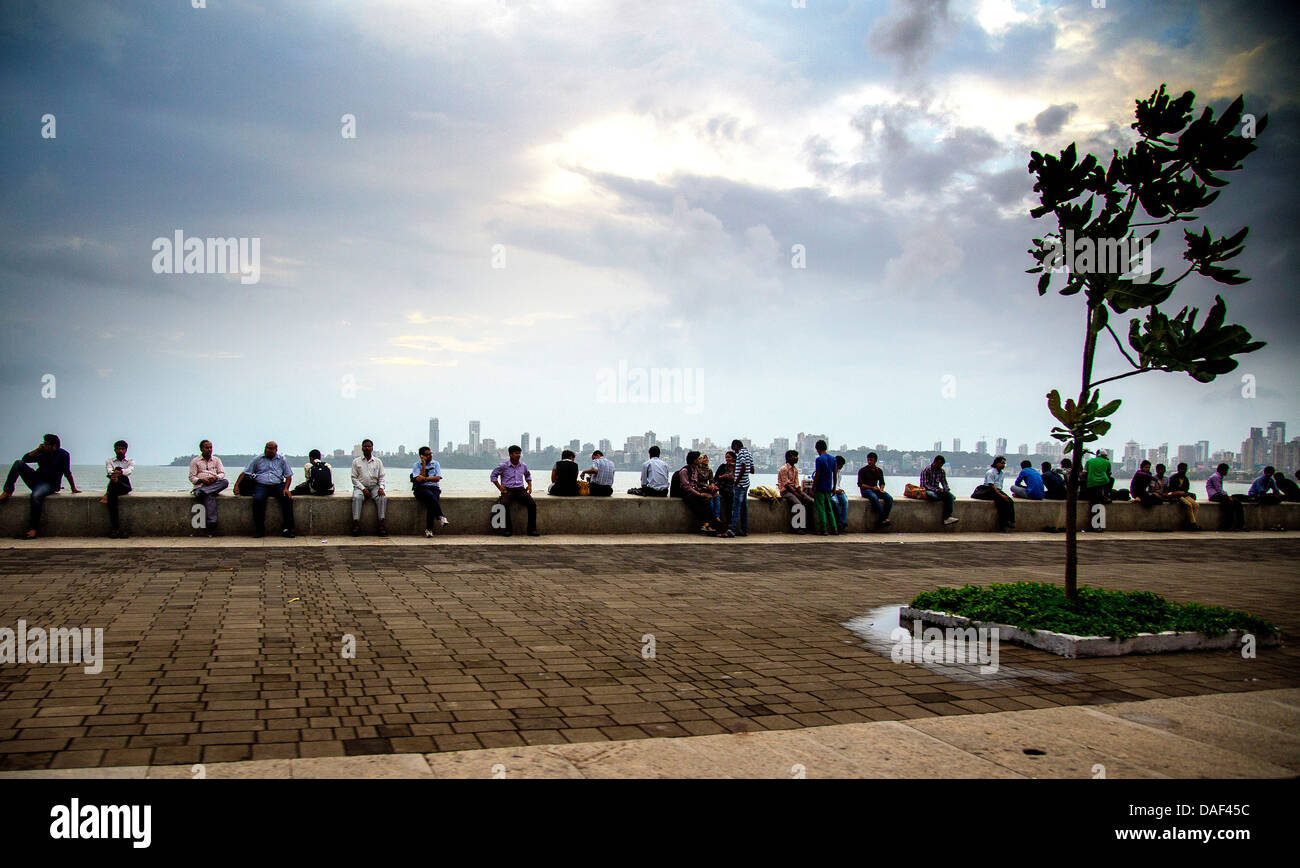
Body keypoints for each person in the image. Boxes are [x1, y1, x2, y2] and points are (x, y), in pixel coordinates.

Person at [1, 434, 79, 539]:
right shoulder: (41, 452)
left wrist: (73, 488)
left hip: (50, 484)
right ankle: (7, 491)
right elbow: (25, 459)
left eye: (46, 444)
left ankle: (33, 529)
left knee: (36, 496)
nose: (43, 445)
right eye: (44, 443)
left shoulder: (63, 455)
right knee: (18, 463)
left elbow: (67, 473)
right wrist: (37, 449)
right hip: (36, 479)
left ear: (54, 446)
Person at [234, 442, 295, 538]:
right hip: (261, 485)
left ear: (276, 450)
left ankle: (288, 528)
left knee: (287, 499)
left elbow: (288, 476)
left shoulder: (282, 460)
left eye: (271, 448)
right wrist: (236, 485)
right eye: (267, 448)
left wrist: (286, 488)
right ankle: (259, 530)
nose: (268, 450)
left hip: (277, 484)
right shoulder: (258, 459)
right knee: (258, 500)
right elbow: (246, 472)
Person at [491, 446, 539, 536]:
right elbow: (493, 476)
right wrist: (500, 487)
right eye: (516, 453)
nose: (518, 455)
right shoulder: (503, 466)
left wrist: (529, 485)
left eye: (519, 453)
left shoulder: (523, 465)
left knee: (532, 504)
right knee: (505, 504)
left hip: (520, 490)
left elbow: (528, 476)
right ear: (510, 454)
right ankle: (507, 530)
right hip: (508, 490)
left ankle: (532, 530)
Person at [676, 451, 725, 535]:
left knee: (709, 500)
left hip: (695, 491)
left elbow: (697, 483)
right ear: (694, 460)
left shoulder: (695, 469)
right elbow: (687, 487)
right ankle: (710, 525)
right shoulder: (684, 471)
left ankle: (710, 525)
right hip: (687, 494)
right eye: (698, 459)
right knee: (703, 505)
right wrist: (700, 494)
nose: (700, 460)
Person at [188, 439, 229, 536]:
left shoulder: (216, 460)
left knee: (225, 482)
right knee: (209, 496)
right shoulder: (195, 461)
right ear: (201, 449)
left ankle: (204, 491)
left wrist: (215, 478)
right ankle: (212, 523)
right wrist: (202, 480)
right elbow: (191, 477)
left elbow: (222, 473)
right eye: (207, 448)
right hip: (201, 485)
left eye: (211, 447)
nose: (209, 449)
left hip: (213, 484)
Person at [350, 439, 387, 536]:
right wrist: (363, 489)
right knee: (357, 498)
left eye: (369, 446)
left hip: (375, 486)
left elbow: (382, 476)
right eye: (365, 446)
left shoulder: (378, 462)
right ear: (362, 448)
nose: (367, 448)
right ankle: (356, 523)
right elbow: (354, 478)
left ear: (372, 448)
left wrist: (381, 488)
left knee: (382, 497)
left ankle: (381, 523)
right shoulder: (356, 461)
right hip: (360, 487)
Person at [101, 439, 134, 538]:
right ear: (115, 450)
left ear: (126, 450)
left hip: (124, 485)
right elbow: (109, 471)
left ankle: (108, 493)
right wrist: (115, 475)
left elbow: (129, 471)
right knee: (113, 500)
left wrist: (119, 473)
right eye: (118, 449)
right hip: (114, 485)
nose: (120, 451)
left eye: (122, 449)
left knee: (118, 473)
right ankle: (116, 529)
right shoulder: (110, 461)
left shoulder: (130, 461)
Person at [411, 446, 447, 537]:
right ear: (421, 456)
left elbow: (437, 478)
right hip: (421, 488)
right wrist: (423, 465)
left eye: (430, 454)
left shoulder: (436, 464)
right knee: (431, 497)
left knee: (432, 501)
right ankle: (440, 516)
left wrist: (426, 478)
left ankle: (429, 530)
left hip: (434, 488)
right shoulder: (416, 465)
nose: (430, 456)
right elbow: (419, 480)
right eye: (427, 455)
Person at [972, 456, 1014, 531]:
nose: (1003, 465)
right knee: (1001, 502)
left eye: (1004, 463)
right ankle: (1003, 523)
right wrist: (1001, 495)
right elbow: (991, 485)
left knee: (1010, 501)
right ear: (997, 463)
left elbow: (999, 486)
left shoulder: (1002, 473)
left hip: (997, 490)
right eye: (1002, 463)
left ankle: (1011, 521)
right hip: (989, 490)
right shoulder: (991, 472)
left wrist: (1002, 494)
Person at [778, 450, 814, 534]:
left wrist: (801, 493)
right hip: (786, 492)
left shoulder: (795, 470)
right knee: (798, 505)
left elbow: (797, 484)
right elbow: (787, 485)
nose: (797, 458)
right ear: (789, 458)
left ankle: (808, 526)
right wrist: (797, 494)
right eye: (795, 456)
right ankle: (797, 527)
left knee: (810, 501)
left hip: (794, 491)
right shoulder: (784, 469)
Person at [857, 451, 893, 528]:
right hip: (866, 490)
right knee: (874, 497)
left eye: (871, 460)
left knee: (889, 498)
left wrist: (882, 489)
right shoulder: (862, 470)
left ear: (875, 461)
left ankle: (882, 519)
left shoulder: (879, 470)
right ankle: (884, 518)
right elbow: (860, 484)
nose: (869, 462)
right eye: (868, 460)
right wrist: (871, 487)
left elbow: (882, 482)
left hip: (875, 489)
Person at [920, 455, 959, 525]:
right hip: (927, 490)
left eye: (941, 465)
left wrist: (946, 489)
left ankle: (947, 517)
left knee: (951, 496)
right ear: (935, 462)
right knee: (932, 495)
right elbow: (924, 485)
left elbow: (944, 482)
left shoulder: (941, 471)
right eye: (939, 465)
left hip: (938, 491)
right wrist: (936, 490)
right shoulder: (926, 470)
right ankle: (943, 498)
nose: (940, 466)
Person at [1206, 463, 1246, 531]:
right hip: (1214, 496)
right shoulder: (1215, 477)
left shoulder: (1218, 476)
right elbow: (1219, 489)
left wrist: (1227, 496)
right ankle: (1228, 525)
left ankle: (1240, 525)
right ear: (1222, 470)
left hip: (1218, 495)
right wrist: (1227, 496)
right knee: (1230, 504)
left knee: (1238, 503)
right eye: (1226, 470)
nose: (1227, 472)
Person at [811, 441, 839, 536]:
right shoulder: (833, 459)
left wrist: (813, 487)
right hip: (828, 487)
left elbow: (817, 474)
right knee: (829, 509)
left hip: (820, 487)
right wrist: (834, 487)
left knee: (821, 509)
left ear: (817, 449)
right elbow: (835, 474)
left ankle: (824, 529)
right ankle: (834, 529)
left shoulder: (819, 459)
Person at [1164, 462, 1201, 530]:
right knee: (1188, 504)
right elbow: (1171, 489)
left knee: (1196, 505)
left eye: (1185, 469)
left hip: (1184, 494)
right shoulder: (1173, 478)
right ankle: (1193, 524)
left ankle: (1192, 523)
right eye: (1182, 469)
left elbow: (1186, 489)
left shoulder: (1185, 479)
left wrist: (1183, 492)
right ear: (1178, 469)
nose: (1184, 471)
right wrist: (1179, 492)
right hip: (1177, 496)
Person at [729, 439, 754, 537]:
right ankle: (744, 530)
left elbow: (743, 466)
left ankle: (732, 529)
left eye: (733, 448)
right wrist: (738, 465)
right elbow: (752, 470)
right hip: (746, 483)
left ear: (736, 446)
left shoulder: (740, 453)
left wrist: (736, 481)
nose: (734, 451)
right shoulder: (749, 453)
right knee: (744, 508)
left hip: (740, 485)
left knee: (736, 508)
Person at [714, 451, 736, 527]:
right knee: (723, 509)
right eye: (726, 457)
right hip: (723, 491)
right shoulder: (722, 467)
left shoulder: (737, 468)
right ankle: (723, 526)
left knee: (730, 509)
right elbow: (716, 478)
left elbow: (739, 479)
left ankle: (730, 526)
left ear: (733, 458)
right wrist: (724, 476)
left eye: (729, 457)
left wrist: (732, 478)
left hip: (733, 491)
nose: (727, 459)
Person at [831, 455, 849, 533]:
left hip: (837, 490)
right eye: (841, 465)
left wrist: (839, 490)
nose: (841, 467)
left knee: (845, 501)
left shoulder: (839, 473)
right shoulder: (830, 472)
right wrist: (835, 490)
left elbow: (837, 484)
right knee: (836, 502)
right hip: (831, 492)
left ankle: (841, 522)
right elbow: (829, 486)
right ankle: (840, 523)